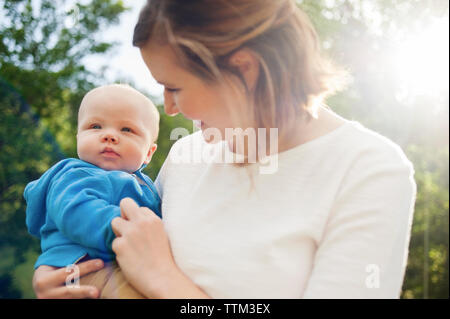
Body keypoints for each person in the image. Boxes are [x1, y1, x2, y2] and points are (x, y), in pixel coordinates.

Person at [32, 0, 416, 299]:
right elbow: (119, 249)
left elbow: (150, 264)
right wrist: (56, 276)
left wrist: (164, 280)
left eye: (175, 87)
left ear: (244, 70)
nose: (169, 108)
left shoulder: (368, 170)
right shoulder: (187, 155)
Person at [25, 84, 160, 298]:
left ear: (149, 153)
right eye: (96, 126)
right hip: (83, 265)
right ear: (78, 136)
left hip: (118, 263)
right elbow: (75, 210)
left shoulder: (144, 185)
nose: (109, 136)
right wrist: (122, 229)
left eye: (126, 129)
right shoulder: (74, 175)